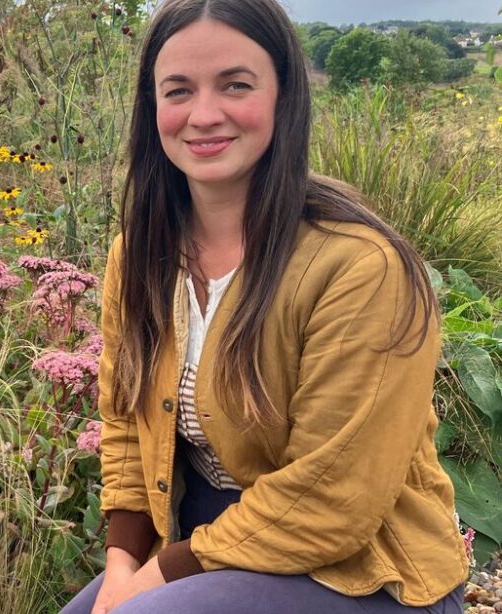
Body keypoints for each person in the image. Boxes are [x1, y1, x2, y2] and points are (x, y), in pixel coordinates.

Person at [60, 0, 469, 612]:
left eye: (235, 85)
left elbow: (335, 499)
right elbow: (123, 422)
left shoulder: (360, 268)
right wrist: (122, 563)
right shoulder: (139, 254)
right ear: (152, 110)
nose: (203, 114)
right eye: (178, 91)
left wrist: (154, 578)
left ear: (284, 94)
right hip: (208, 544)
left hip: (359, 566)